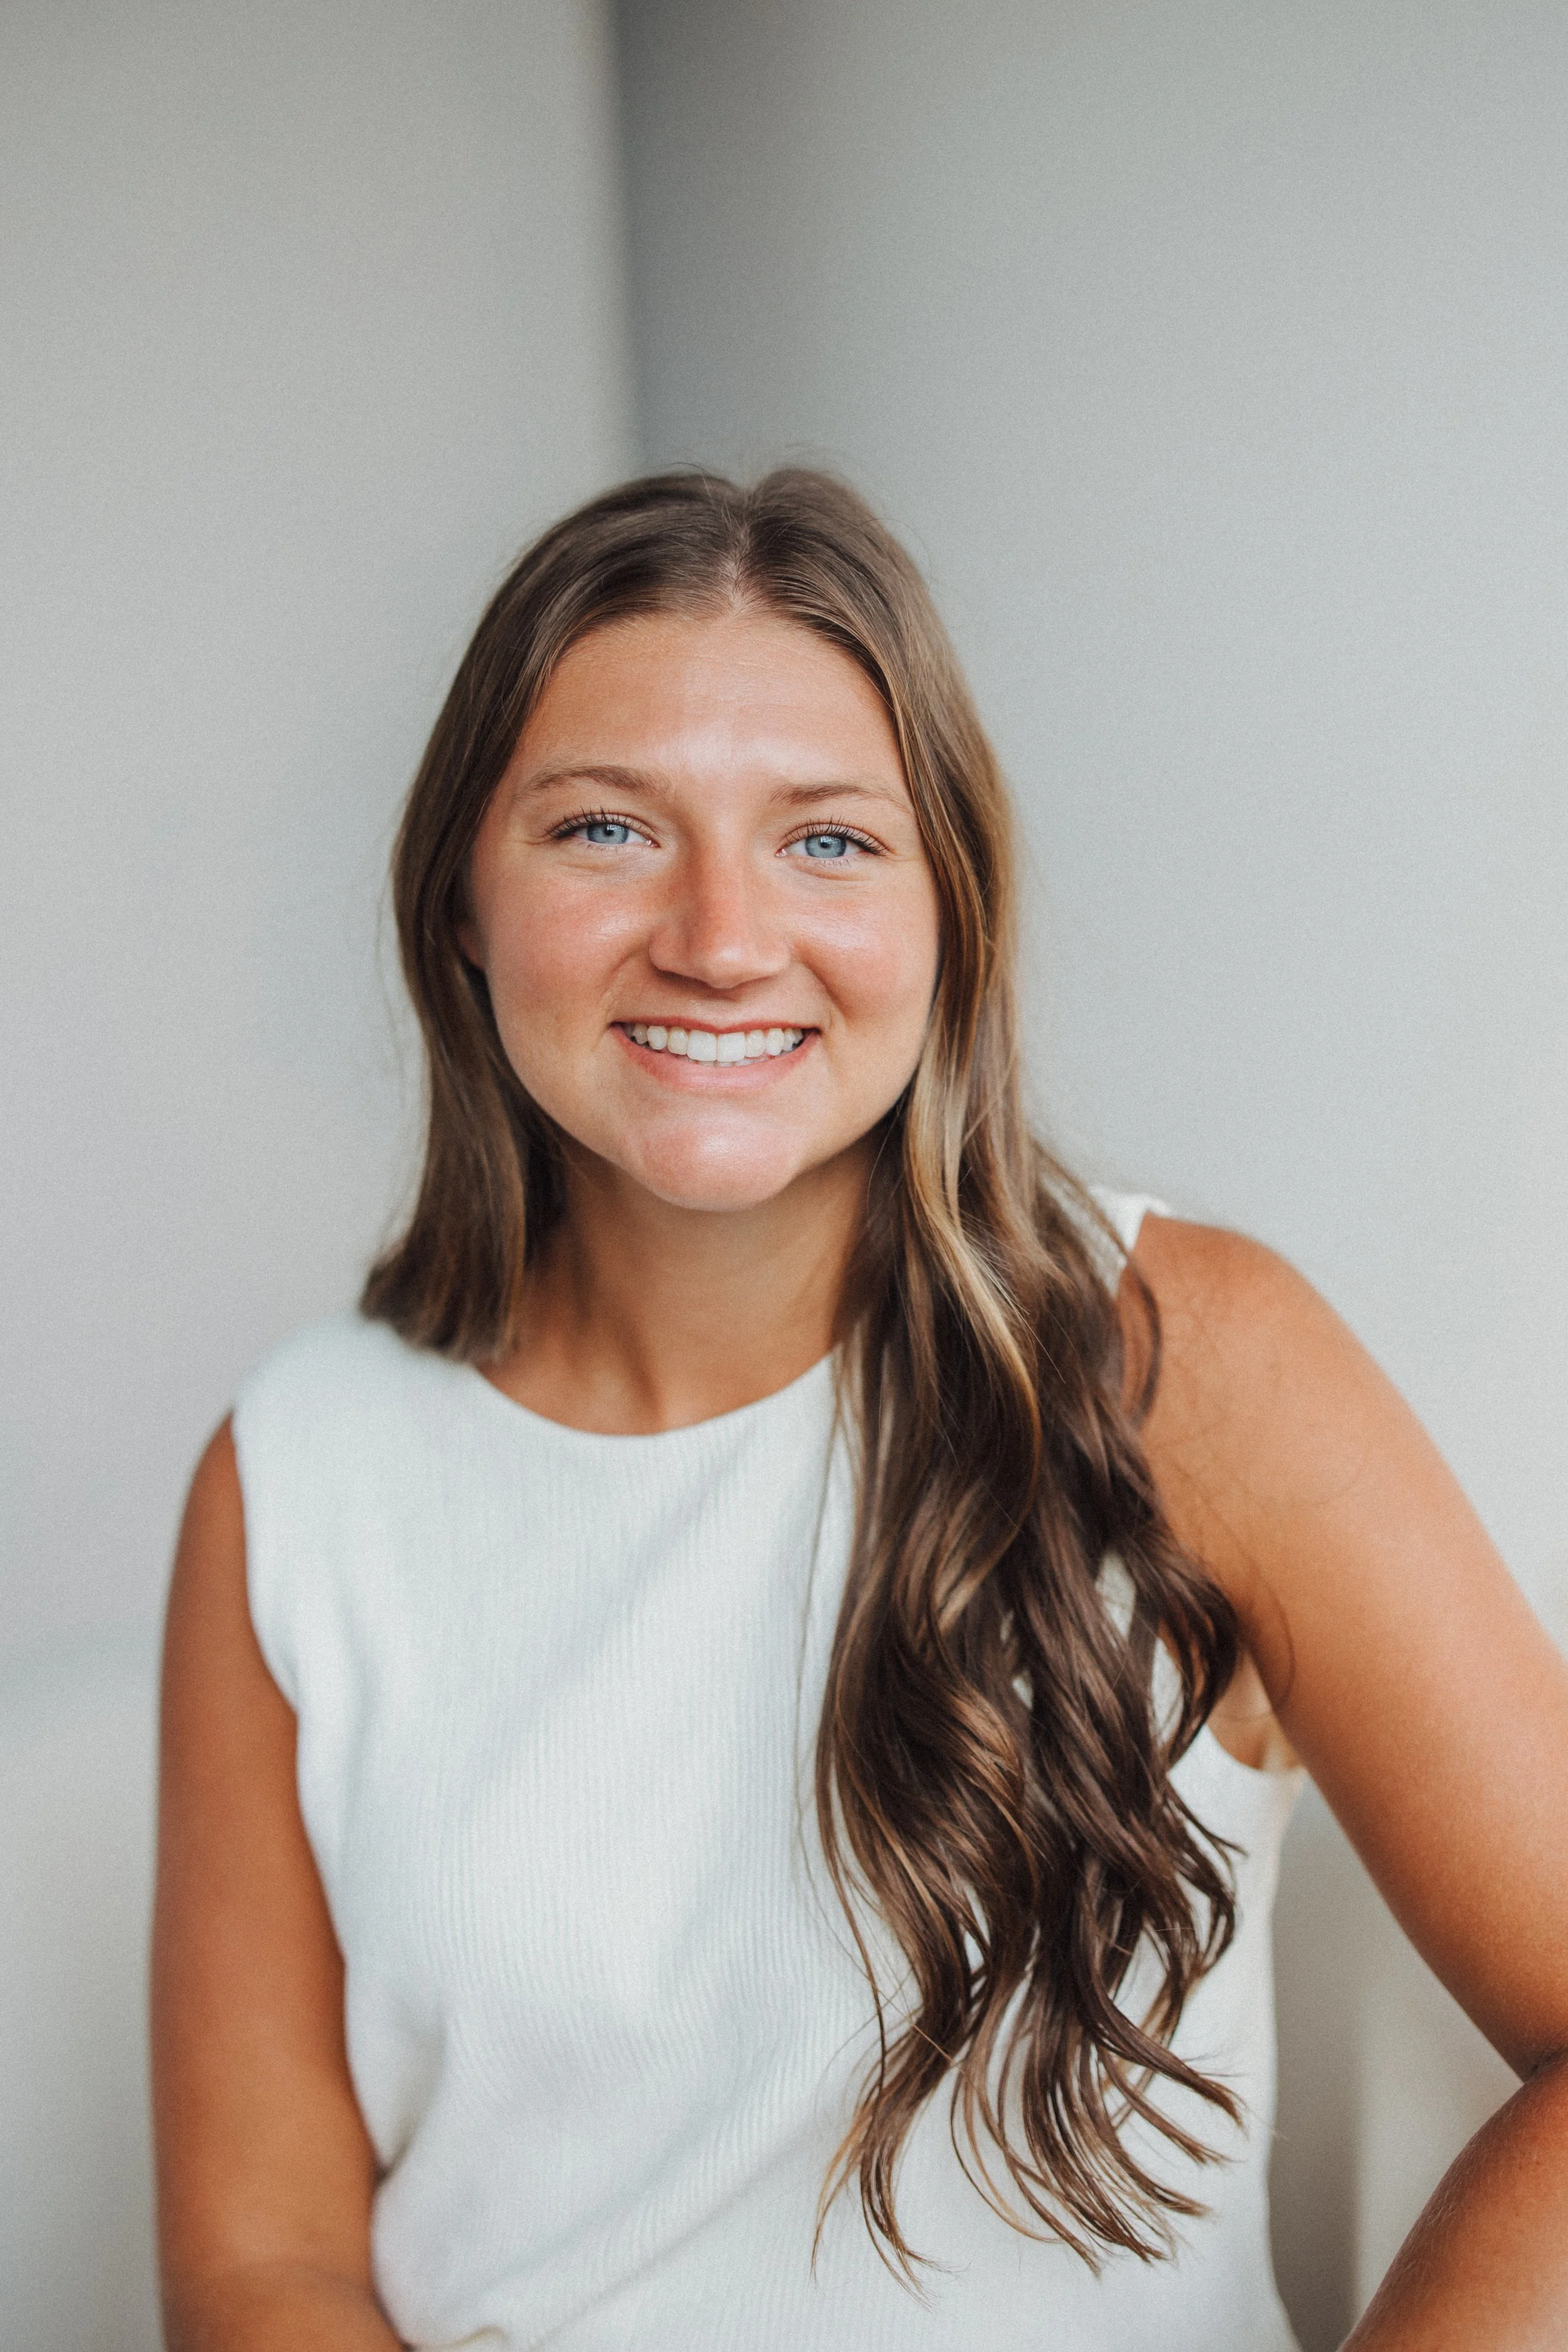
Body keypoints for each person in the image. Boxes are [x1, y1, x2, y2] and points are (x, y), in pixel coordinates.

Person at [152, 469, 1568, 2352]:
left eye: (826, 841)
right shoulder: (293, 1477)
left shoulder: (1180, 1352)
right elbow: (265, 2264)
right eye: (603, 829)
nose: (723, 938)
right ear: (462, 907)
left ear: (945, 915)